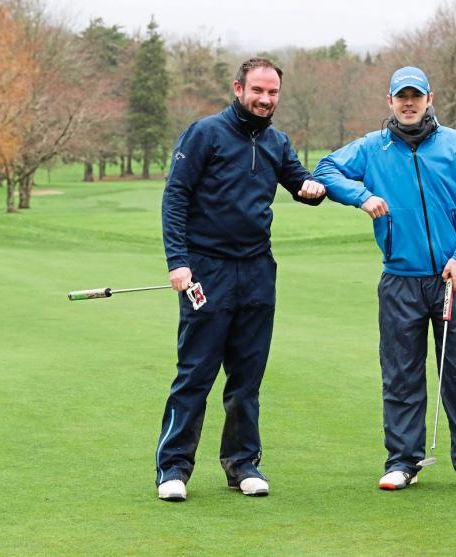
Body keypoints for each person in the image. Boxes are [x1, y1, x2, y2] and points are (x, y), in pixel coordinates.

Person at [313, 67, 456, 493]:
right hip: (400, 279)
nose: (409, 103)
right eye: (401, 97)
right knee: (401, 373)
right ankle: (402, 461)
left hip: (453, 278)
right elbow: (325, 170)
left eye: (416, 96)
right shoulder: (373, 148)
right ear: (390, 102)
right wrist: (362, 196)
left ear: (430, 98)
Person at [156, 57, 325, 502]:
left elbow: (299, 182)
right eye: (258, 91)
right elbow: (175, 197)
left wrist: (312, 188)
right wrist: (178, 261)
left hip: (256, 271)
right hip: (206, 270)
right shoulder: (205, 134)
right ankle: (172, 468)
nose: (266, 100)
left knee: (247, 376)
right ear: (238, 88)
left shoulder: (277, 141)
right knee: (195, 373)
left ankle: (242, 464)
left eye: (273, 93)